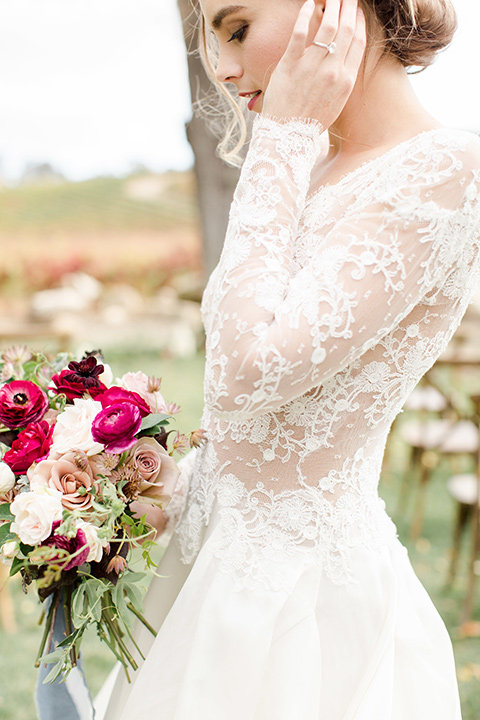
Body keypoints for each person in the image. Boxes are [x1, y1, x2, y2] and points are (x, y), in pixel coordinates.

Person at [96, 0, 480, 718]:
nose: (222, 67)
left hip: (301, 612)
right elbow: (262, 434)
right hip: (207, 576)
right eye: (210, 38)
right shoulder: (305, 167)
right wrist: (156, 486)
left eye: (236, 28)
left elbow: (250, 371)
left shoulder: (442, 167)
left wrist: (285, 136)